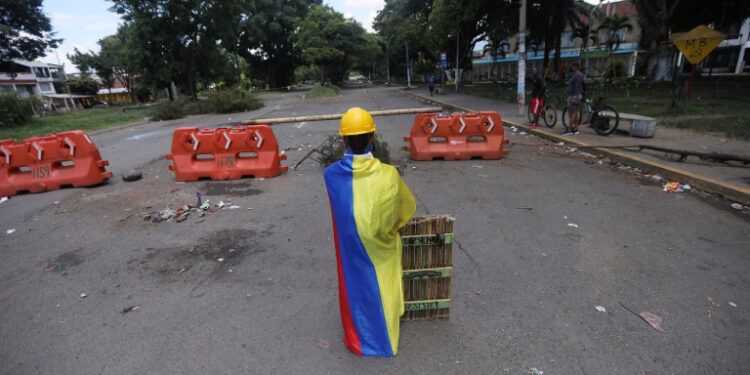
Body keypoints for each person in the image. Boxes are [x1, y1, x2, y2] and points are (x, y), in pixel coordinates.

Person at [323, 107, 416, 357]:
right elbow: (404, 210)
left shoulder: (331, 175)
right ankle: (386, 321)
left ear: (343, 140)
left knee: (357, 284)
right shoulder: (390, 175)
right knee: (383, 280)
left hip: (351, 248)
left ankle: (361, 334)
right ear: (372, 137)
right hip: (382, 245)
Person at [564, 63, 584, 135]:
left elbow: (577, 87)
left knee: (572, 113)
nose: (571, 68)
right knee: (577, 112)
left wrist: (574, 97)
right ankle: (575, 129)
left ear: (575, 67)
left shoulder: (577, 75)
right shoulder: (578, 75)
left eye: (572, 66)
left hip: (574, 96)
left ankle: (569, 130)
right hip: (576, 95)